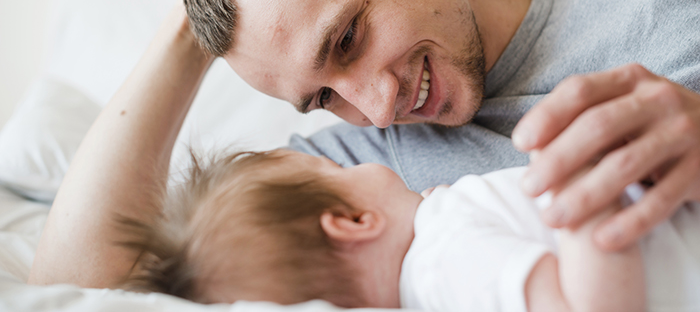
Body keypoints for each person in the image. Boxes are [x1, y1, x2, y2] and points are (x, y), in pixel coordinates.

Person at [28, 0, 700, 289]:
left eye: (347, 37)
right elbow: (76, 284)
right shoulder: (355, 180)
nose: (378, 107)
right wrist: (194, 17)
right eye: (323, 95)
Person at [115, 147, 700, 311]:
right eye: (337, 168)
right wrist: (583, 189)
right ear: (352, 222)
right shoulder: (444, 251)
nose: (356, 159)